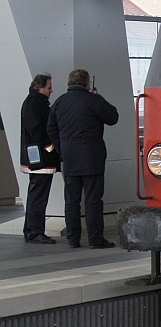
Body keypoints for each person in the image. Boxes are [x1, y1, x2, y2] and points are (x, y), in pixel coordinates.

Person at [47, 69, 118, 249]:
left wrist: (62, 147)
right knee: (93, 200)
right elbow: (112, 117)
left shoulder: (59, 102)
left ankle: (73, 238)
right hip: (92, 158)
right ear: (87, 83)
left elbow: (51, 129)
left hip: (70, 158)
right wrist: (98, 97)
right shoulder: (93, 100)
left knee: (71, 200)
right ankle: (95, 239)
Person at [20, 73, 59, 244]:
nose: (51, 91)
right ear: (40, 87)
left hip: (39, 157)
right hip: (41, 158)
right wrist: (49, 146)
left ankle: (32, 229)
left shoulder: (34, 102)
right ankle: (34, 231)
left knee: (37, 194)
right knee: (38, 195)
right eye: (49, 88)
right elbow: (36, 129)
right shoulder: (35, 103)